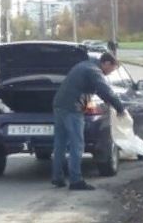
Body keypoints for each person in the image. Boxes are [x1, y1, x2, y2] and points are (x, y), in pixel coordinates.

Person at [51, 52, 125, 191]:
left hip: (60, 105)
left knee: (60, 144)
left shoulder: (86, 65)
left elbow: (97, 90)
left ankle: (57, 177)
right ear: (106, 63)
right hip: (73, 108)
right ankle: (76, 181)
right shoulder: (94, 71)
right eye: (112, 69)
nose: (110, 73)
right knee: (77, 145)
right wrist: (120, 108)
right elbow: (105, 90)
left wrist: (107, 101)